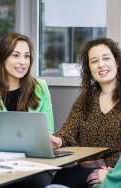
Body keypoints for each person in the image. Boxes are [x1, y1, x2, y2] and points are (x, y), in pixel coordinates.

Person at [49, 38, 121, 188]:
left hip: (111, 175)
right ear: (89, 68)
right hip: (82, 171)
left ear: (117, 62)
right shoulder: (85, 99)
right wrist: (58, 141)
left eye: (106, 58)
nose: (101, 64)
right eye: (94, 61)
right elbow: (68, 131)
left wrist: (114, 176)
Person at [0, 32, 54, 134]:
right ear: (2, 59)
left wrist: (51, 140)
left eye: (27, 56)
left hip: (33, 150)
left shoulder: (40, 87)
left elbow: (49, 130)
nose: (23, 62)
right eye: (16, 55)